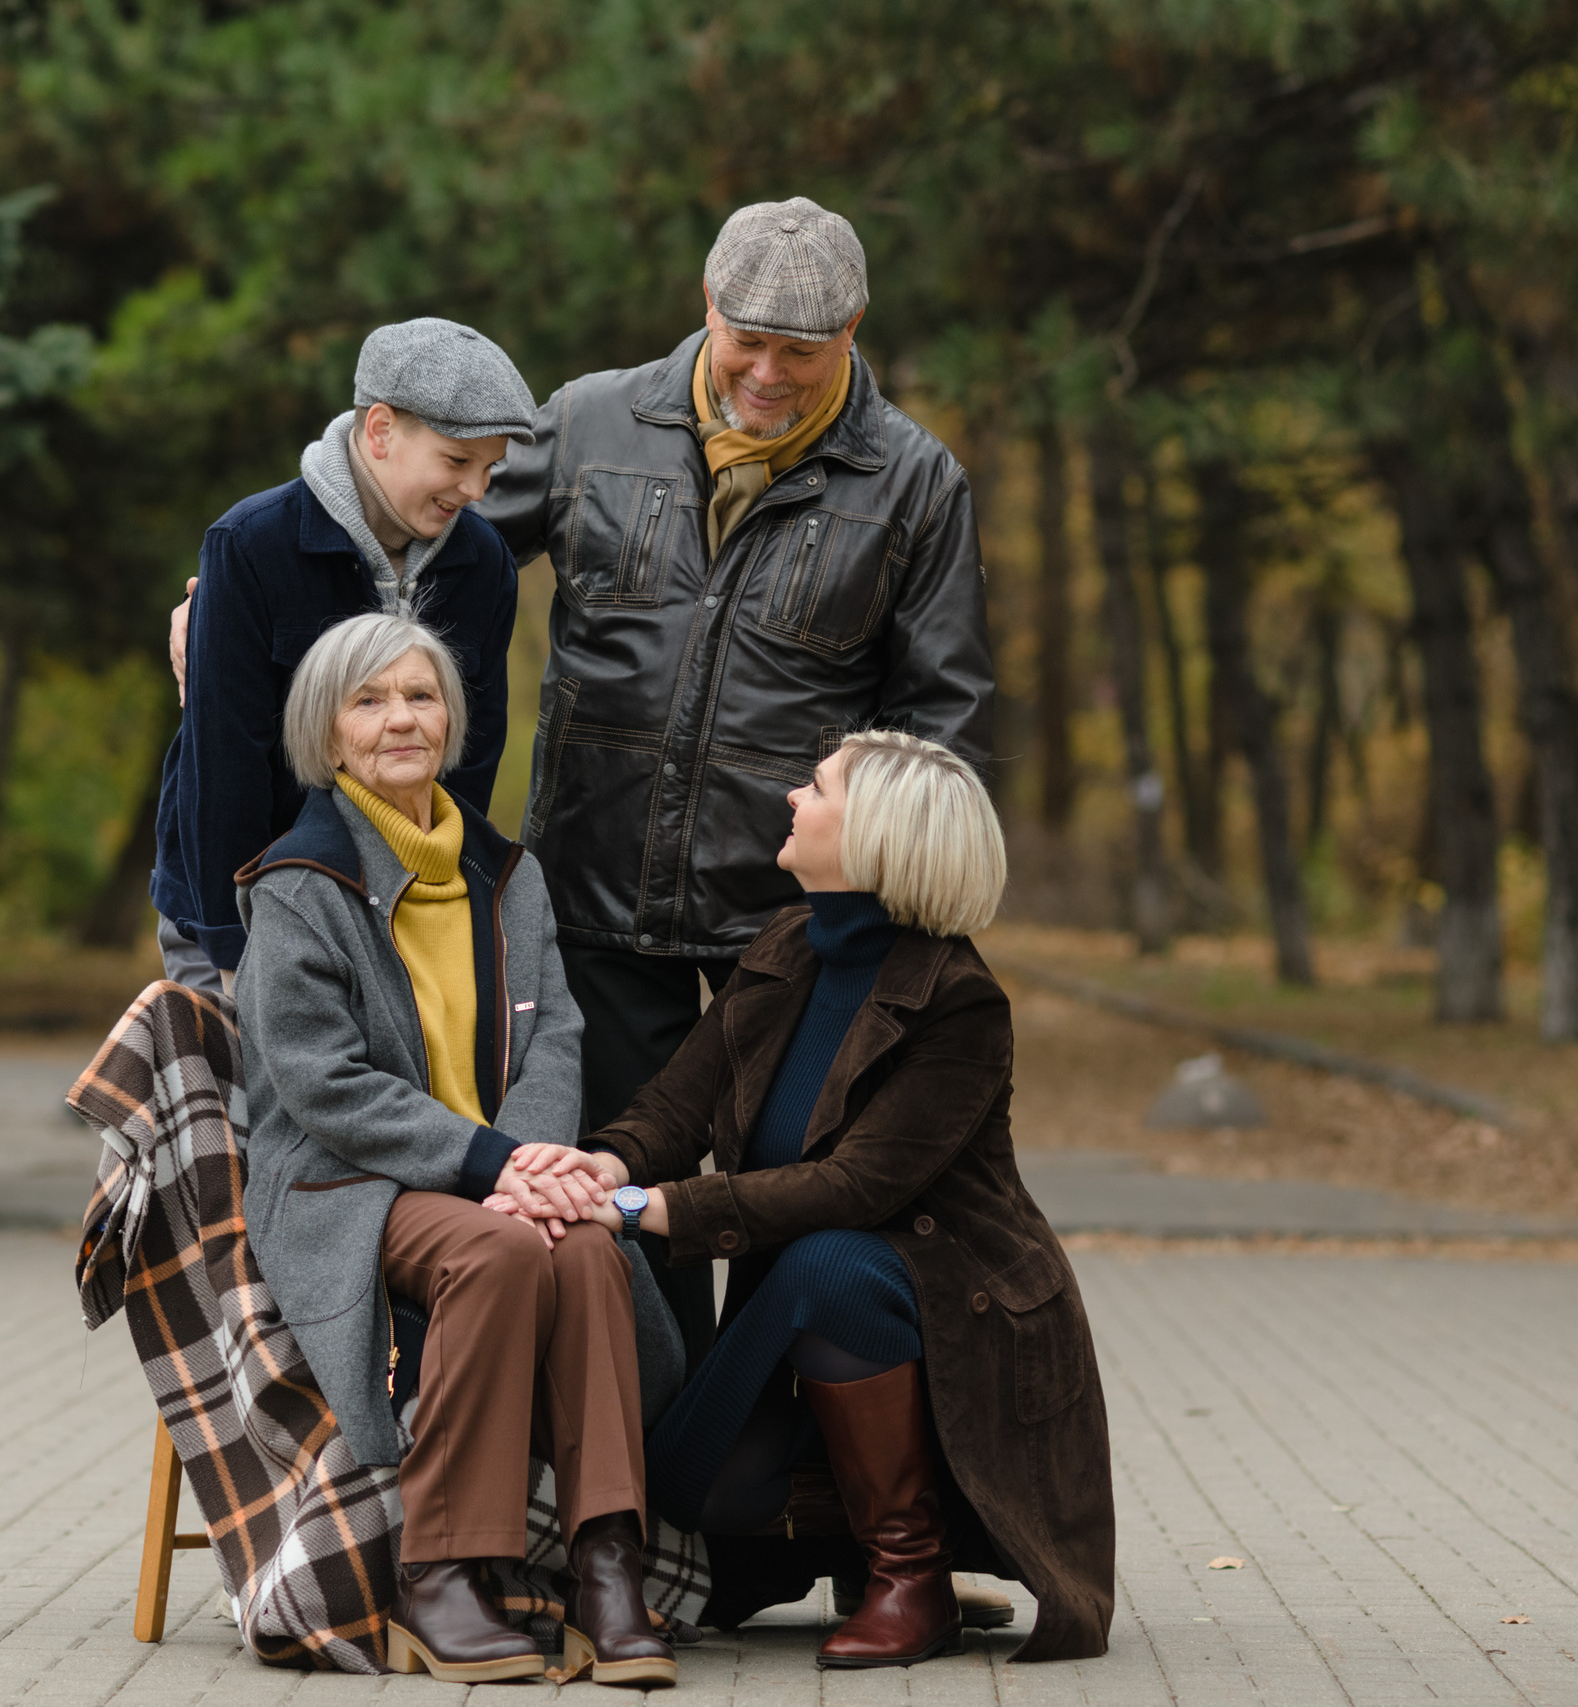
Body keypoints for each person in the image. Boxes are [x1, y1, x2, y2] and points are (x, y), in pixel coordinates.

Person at [474, 197, 995, 1368]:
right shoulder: (588, 424)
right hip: (597, 890)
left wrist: (899, 929)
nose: (766, 371)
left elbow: (943, 718)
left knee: (786, 1205)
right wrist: (243, 590)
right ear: (704, 306)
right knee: (618, 1196)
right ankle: (654, 1513)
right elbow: (426, 522)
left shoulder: (913, 483)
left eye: (799, 351)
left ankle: (771, 1500)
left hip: (802, 919)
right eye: (744, 338)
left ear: (853, 329)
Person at [509, 730, 1116, 1669]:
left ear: (879, 833)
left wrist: (645, 1212)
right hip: (800, 1308)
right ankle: (849, 1526)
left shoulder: (957, 1001)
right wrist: (599, 1167)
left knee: (830, 1261)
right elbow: (678, 1102)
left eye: (819, 786)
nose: (793, 796)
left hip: (959, 1311)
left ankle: (910, 1575)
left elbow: (856, 1183)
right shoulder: (789, 943)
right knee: (685, 1484)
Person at [233, 612, 677, 1688]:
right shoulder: (300, 884)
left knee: (578, 1247)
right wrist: (498, 1174)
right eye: (370, 701)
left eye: (420, 697)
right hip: (347, 1181)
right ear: (328, 737)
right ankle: (441, 1573)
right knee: (506, 1250)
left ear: (453, 720)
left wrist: (524, 1169)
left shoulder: (505, 872)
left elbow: (555, 1035)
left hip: (495, 1180)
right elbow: (322, 1083)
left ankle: (607, 1565)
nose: (401, 720)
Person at [151, 319, 536, 1001]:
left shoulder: (485, 566)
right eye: (456, 462)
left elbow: (468, 763)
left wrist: (442, 910)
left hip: (395, 918)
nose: (477, 490)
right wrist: (233, 950)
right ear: (381, 430)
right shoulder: (251, 545)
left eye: (490, 467)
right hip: (238, 907)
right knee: (246, 1103)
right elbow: (223, 762)